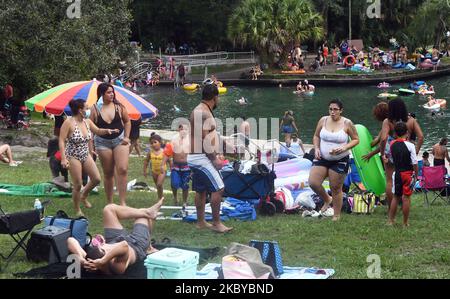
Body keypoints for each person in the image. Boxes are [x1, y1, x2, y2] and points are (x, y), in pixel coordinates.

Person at [67, 198, 164, 275]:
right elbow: (124, 245)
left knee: (109, 209)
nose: (101, 246)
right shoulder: (116, 267)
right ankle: (148, 247)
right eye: (102, 249)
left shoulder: (88, 260)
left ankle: (148, 211)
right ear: (104, 260)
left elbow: (70, 240)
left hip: (114, 239)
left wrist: (81, 258)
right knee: (142, 216)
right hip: (136, 244)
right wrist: (102, 261)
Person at [187, 84, 235, 233]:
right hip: (201, 157)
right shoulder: (201, 112)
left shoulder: (203, 110)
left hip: (199, 156)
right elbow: (204, 139)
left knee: (201, 190)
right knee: (219, 188)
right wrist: (214, 159)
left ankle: (201, 222)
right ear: (215, 97)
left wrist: (224, 144)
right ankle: (216, 223)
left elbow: (210, 135)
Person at [60, 99, 120, 217]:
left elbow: (97, 130)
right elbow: (61, 141)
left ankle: (84, 195)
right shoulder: (68, 122)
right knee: (77, 184)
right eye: (86, 108)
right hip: (73, 155)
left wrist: (108, 130)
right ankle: (77, 209)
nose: (88, 110)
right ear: (80, 110)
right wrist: (63, 158)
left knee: (96, 179)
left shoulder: (87, 121)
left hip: (85, 153)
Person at [308, 99, 359, 221]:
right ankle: (327, 199)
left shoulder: (347, 123)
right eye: (330, 109)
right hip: (322, 157)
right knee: (313, 182)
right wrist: (316, 148)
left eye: (335, 109)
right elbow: (316, 136)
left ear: (341, 110)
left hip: (340, 159)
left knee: (335, 187)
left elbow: (356, 139)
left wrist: (344, 147)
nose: (332, 112)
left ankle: (336, 215)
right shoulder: (323, 120)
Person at [90, 83, 131, 206]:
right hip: (102, 142)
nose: (112, 94)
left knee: (122, 169)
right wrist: (91, 145)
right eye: (108, 92)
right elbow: (90, 127)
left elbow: (127, 122)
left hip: (119, 140)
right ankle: (110, 203)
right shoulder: (95, 109)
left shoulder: (119, 107)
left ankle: (123, 202)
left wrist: (127, 137)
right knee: (108, 173)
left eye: (112, 92)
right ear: (102, 94)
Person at [379, 99, 424, 208]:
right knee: (405, 179)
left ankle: (391, 207)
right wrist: (416, 150)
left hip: (391, 151)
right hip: (406, 151)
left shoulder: (387, 121)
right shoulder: (411, 120)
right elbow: (421, 137)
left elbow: (383, 139)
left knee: (390, 180)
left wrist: (382, 154)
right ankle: (405, 205)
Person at [388, 122, 418, 227]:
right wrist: (416, 175)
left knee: (396, 197)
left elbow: (391, 158)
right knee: (406, 198)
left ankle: (391, 221)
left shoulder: (392, 144)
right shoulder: (410, 145)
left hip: (397, 173)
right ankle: (405, 223)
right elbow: (414, 162)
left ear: (395, 133)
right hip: (407, 174)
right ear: (407, 132)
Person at [162, 124, 191, 206]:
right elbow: (167, 153)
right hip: (176, 165)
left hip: (187, 166)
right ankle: (175, 197)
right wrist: (162, 164)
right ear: (178, 129)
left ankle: (185, 201)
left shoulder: (190, 140)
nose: (183, 130)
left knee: (185, 185)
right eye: (181, 129)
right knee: (174, 184)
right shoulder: (174, 139)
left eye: (185, 129)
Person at [143, 133, 167, 200]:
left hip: (162, 171)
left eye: (155, 142)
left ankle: (161, 198)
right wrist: (144, 170)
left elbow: (169, 161)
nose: (153, 144)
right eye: (152, 143)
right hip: (154, 171)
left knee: (159, 184)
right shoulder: (150, 152)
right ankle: (160, 197)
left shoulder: (164, 152)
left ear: (160, 143)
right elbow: (146, 161)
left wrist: (172, 169)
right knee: (158, 186)